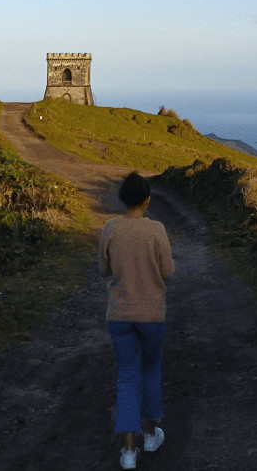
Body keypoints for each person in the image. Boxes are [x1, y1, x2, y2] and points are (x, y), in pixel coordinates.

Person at [98, 172, 175, 470]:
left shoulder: (110, 228)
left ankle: (129, 453)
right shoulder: (157, 230)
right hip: (152, 315)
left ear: (122, 199)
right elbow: (168, 272)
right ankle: (150, 434)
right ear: (147, 199)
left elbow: (103, 269)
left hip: (119, 314)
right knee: (151, 372)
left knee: (127, 377)